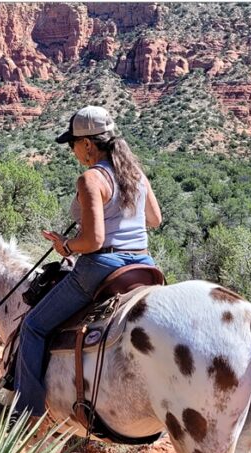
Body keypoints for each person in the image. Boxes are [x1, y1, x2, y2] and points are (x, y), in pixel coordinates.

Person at [13, 105, 162, 421]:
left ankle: (26, 412)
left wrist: (65, 246)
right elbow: (155, 219)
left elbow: (93, 242)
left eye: (73, 144)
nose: (72, 151)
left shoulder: (91, 178)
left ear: (88, 145)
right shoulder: (135, 173)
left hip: (102, 268)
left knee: (33, 326)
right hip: (143, 265)